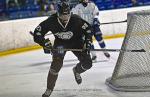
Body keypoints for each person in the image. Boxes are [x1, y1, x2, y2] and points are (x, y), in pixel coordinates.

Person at [33, 1, 92, 97]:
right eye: (62, 16)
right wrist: (43, 42)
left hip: (76, 43)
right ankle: (49, 89)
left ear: (70, 12)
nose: (65, 18)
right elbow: (37, 33)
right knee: (56, 64)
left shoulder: (76, 19)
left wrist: (88, 42)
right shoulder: (51, 21)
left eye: (67, 15)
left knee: (87, 63)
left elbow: (88, 30)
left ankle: (76, 70)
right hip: (61, 45)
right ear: (58, 13)